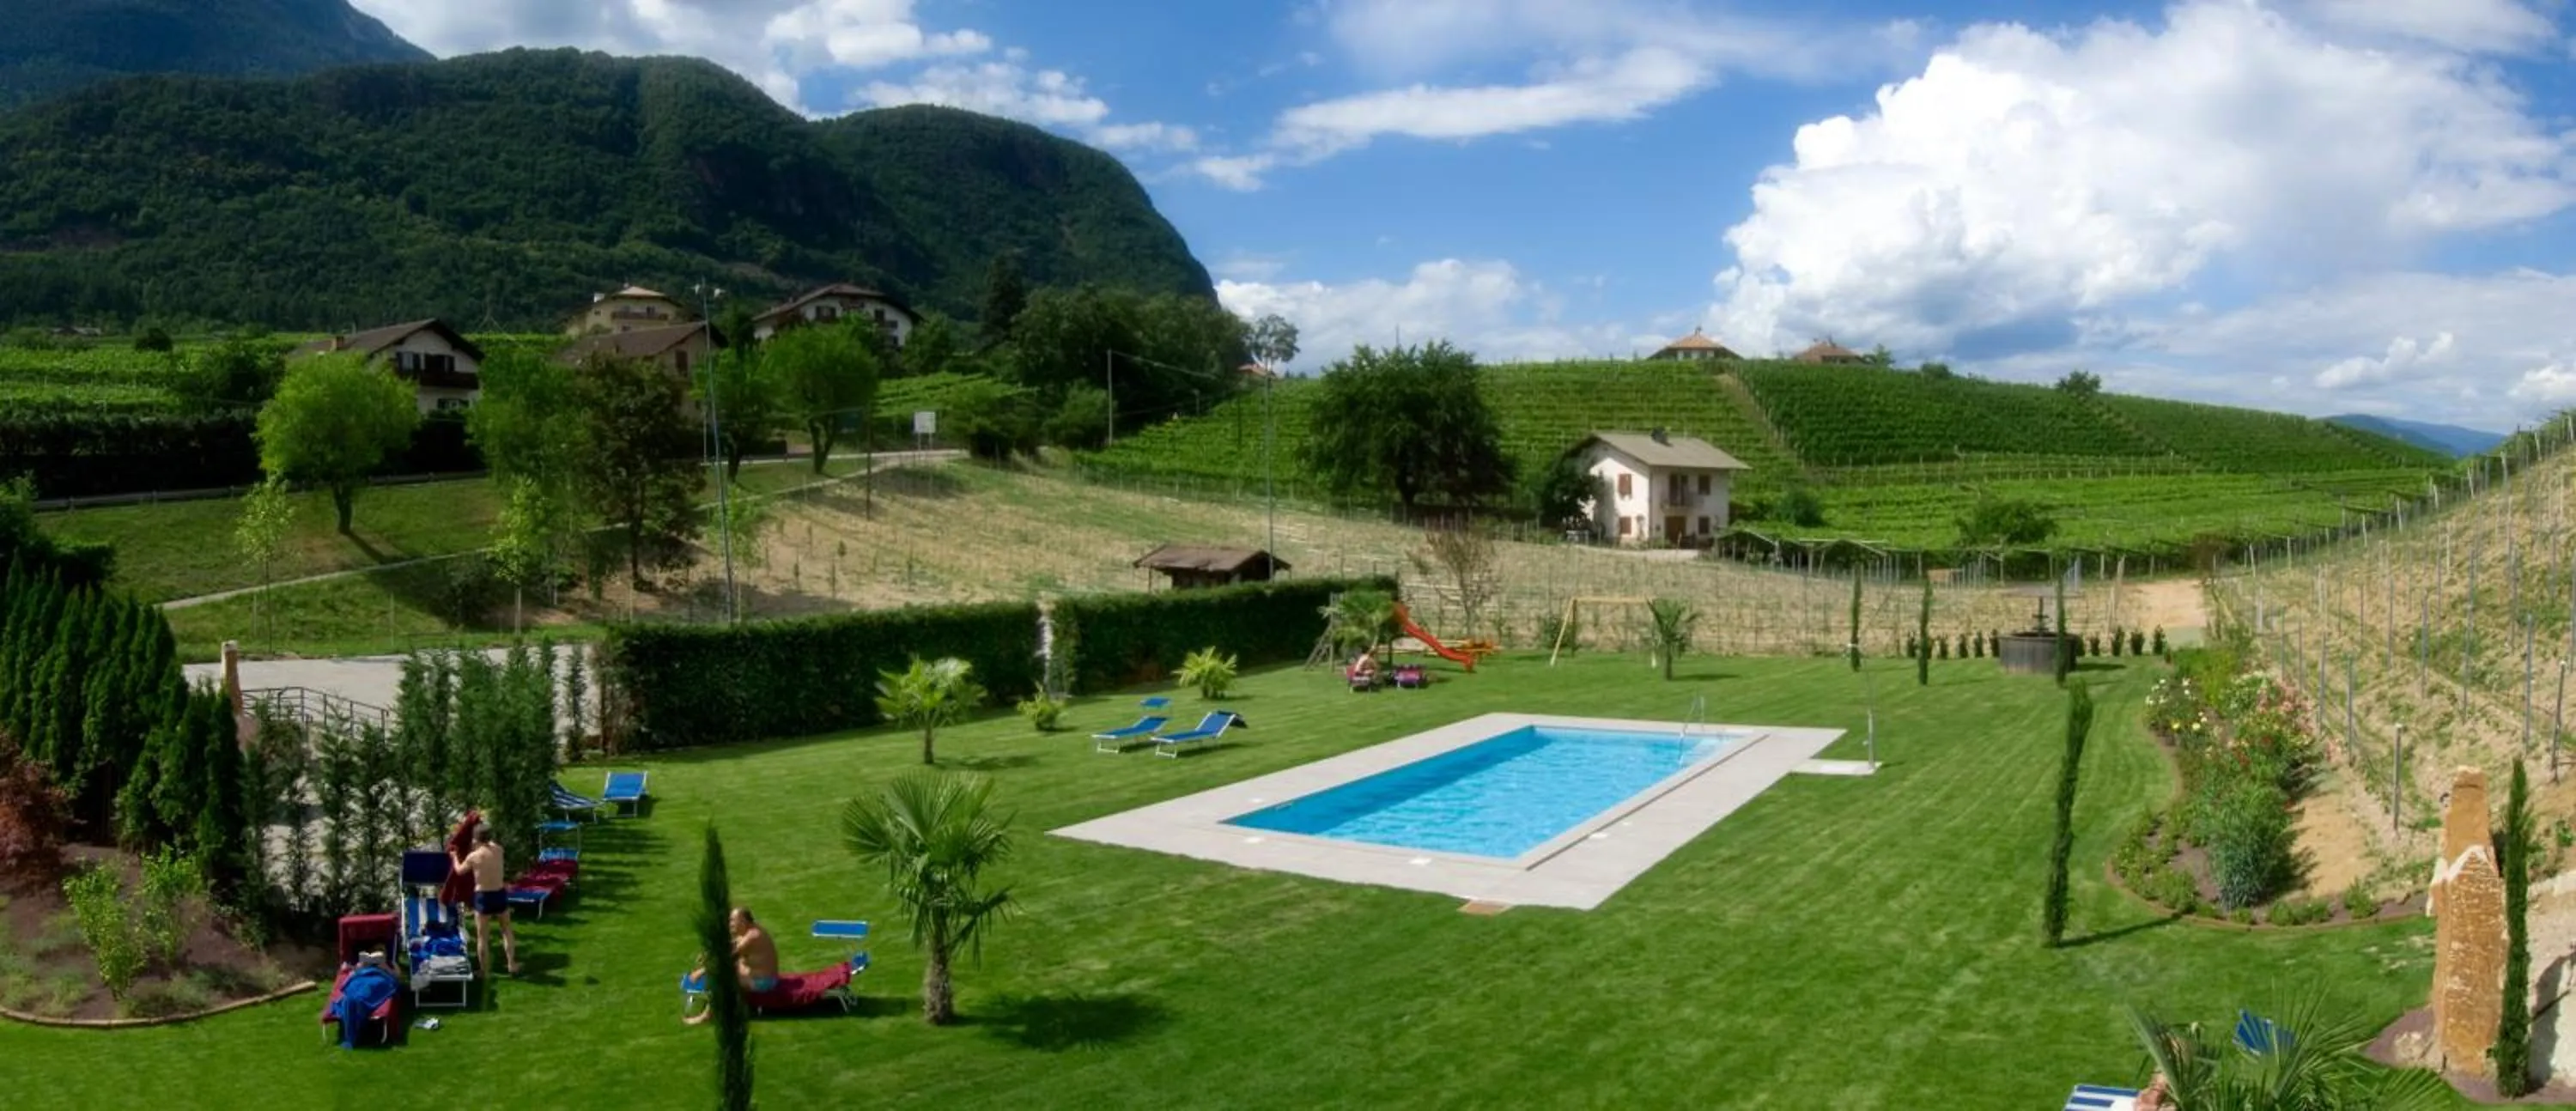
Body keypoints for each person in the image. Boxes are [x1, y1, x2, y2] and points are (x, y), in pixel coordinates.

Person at [685, 908, 781, 1025]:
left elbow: (727, 960)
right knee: (729, 970)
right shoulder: (747, 931)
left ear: (744, 921)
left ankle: (708, 1015)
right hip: (755, 975)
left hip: (764, 982)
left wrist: (701, 971)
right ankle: (729, 1007)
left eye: (734, 920)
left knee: (720, 979)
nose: (731, 924)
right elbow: (730, 946)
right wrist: (710, 953)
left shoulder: (752, 937)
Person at [450, 823, 520, 977]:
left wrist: (454, 857)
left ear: (475, 839)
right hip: (499, 893)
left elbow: (460, 871)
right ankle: (511, 964)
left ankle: (484, 971)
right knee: (506, 930)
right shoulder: (499, 850)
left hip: (483, 897)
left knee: (482, 937)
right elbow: (489, 844)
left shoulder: (474, 857)